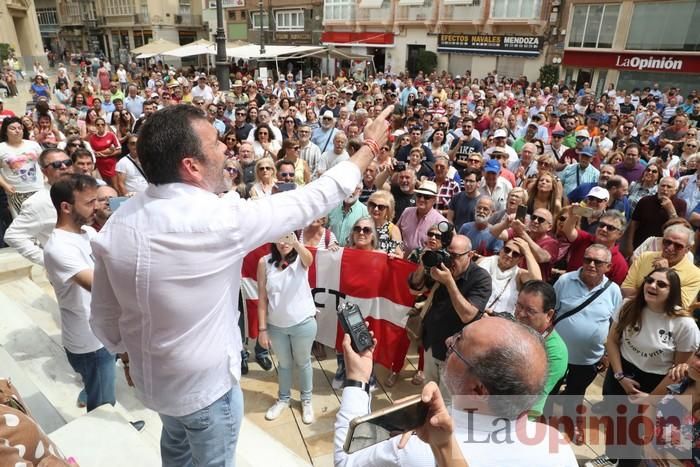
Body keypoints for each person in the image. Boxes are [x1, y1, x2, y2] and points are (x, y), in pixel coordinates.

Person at [88, 103, 393, 466]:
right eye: (217, 143)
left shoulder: (118, 223)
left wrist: (128, 353)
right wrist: (369, 147)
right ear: (192, 166)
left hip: (154, 387)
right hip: (208, 394)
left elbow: (105, 318)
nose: (225, 150)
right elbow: (312, 197)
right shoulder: (218, 221)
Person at [333, 312, 578, 466]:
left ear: (479, 390)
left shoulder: (413, 447)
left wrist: (357, 379)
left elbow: (345, 460)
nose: (448, 341)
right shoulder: (555, 446)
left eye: (458, 343)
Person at [43, 174, 117, 411]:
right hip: (89, 341)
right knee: (104, 403)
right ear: (66, 207)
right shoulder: (59, 247)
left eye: (97, 200)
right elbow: (100, 286)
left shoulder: (88, 233)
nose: (96, 207)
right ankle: (109, 438)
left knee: (99, 387)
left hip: (100, 331)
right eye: (89, 202)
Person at [407, 234, 492, 407]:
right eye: (446, 253)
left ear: (470, 255)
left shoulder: (481, 278)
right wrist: (424, 263)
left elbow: (468, 315)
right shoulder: (441, 266)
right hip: (431, 344)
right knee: (429, 392)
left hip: (456, 355)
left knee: (446, 403)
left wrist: (449, 282)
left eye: (455, 256)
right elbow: (414, 288)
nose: (449, 259)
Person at [553, 243, 623, 445]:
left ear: (608, 267)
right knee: (550, 388)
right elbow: (551, 312)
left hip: (589, 357)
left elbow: (614, 326)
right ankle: (543, 420)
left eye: (598, 262)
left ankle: (571, 421)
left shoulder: (613, 291)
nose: (591, 265)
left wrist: (608, 355)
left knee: (576, 392)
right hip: (558, 352)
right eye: (587, 259)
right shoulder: (565, 281)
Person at [257, 232, 317, 424]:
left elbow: (310, 260)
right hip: (276, 326)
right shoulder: (264, 262)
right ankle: (283, 399)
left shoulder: (300, 257)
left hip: (303, 323)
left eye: (288, 237)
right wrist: (262, 329)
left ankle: (306, 400)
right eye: (280, 237)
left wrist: (297, 244)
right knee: (283, 364)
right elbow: (262, 299)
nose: (284, 243)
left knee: (303, 362)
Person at [4, 148, 74, 265]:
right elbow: (13, 236)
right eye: (56, 165)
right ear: (44, 171)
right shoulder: (38, 202)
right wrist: (48, 261)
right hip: (68, 269)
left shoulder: (84, 190)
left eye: (67, 163)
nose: (64, 167)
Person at [513, 281, 568, 418]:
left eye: (530, 311)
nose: (520, 314)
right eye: (519, 306)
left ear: (549, 314)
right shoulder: (514, 327)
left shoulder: (556, 353)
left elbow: (533, 397)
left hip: (519, 419)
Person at [622, 224, 700, 310]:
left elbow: (680, 305)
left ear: (687, 249)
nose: (670, 248)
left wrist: (666, 273)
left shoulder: (695, 274)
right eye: (667, 242)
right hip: (635, 312)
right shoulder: (645, 257)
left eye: (678, 246)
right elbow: (626, 288)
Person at [562, 209, 628, 284]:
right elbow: (567, 231)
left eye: (610, 228)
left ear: (620, 234)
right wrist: (572, 216)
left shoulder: (620, 264)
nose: (604, 229)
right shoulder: (584, 238)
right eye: (601, 225)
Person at [476, 237, 542, 314]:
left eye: (515, 254)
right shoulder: (483, 262)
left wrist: (527, 251)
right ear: (501, 249)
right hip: (474, 314)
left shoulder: (519, 274)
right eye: (507, 250)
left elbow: (538, 282)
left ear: (520, 259)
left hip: (498, 322)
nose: (509, 255)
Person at [624, 176, 687, 255]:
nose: (665, 189)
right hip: (641, 245)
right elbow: (633, 224)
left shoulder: (681, 204)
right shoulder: (645, 201)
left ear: (675, 191)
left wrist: (671, 210)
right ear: (658, 187)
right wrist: (629, 245)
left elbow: (679, 228)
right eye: (662, 186)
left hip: (663, 248)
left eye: (669, 187)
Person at [0, 117, 44, 216]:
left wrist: (46, 178)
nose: (17, 131)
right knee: (22, 223)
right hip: (16, 193)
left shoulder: (33, 145)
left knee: (42, 218)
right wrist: (5, 185)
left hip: (38, 188)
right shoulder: (1, 148)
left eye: (20, 128)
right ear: (5, 131)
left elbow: (44, 163)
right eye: (13, 128)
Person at [397, 180, 447, 253]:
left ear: (434, 200)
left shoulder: (441, 222)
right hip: (403, 260)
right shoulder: (407, 212)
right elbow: (396, 231)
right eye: (419, 195)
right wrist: (399, 249)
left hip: (424, 262)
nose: (421, 199)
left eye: (426, 197)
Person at [367, 190, 403, 256]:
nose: (376, 209)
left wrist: (387, 255)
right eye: (373, 205)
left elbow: (399, 255)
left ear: (388, 210)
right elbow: (350, 246)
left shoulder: (393, 229)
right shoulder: (362, 224)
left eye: (381, 207)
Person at [88, 117, 121, 189]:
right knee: (106, 186)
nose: (100, 126)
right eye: (98, 124)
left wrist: (108, 154)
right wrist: (107, 150)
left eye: (102, 124)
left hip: (111, 165)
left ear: (105, 125)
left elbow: (119, 150)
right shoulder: (92, 138)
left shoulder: (111, 135)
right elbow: (92, 153)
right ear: (95, 126)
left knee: (116, 186)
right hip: (100, 166)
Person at [446, 167, 480, 231]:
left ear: (478, 183)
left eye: (471, 181)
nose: (467, 184)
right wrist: (454, 233)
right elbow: (449, 219)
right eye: (466, 180)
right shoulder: (456, 197)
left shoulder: (483, 201)